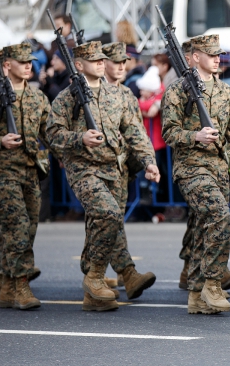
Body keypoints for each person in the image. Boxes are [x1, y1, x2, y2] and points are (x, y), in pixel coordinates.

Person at [162, 34, 230, 315]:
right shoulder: (178, 91)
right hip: (191, 169)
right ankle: (212, 283)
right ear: (195, 56)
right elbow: (168, 132)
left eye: (218, 54)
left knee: (202, 230)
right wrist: (195, 135)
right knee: (220, 217)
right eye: (210, 54)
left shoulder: (225, 93)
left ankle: (197, 295)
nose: (217, 59)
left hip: (220, 170)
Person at [47, 41, 160, 312]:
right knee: (107, 214)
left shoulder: (117, 95)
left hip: (113, 169)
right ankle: (96, 276)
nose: (100, 62)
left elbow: (135, 131)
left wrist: (149, 161)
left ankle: (94, 296)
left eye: (101, 58)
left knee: (103, 222)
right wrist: (79, 138)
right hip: (84, 169)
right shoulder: (68, 97)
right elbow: (51, 134)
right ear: (78, 65)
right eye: (94, 59)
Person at [0, 43, 50, 310]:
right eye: (22, 61)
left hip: (29, 171)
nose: (29, 65)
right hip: (0, 173)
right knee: (16, 229)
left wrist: (75, 143)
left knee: (29, 228)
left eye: (31, 61)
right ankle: (20, 286)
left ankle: (5, 286)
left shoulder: (37, 97)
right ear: (7, 65)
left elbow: (50, 132)